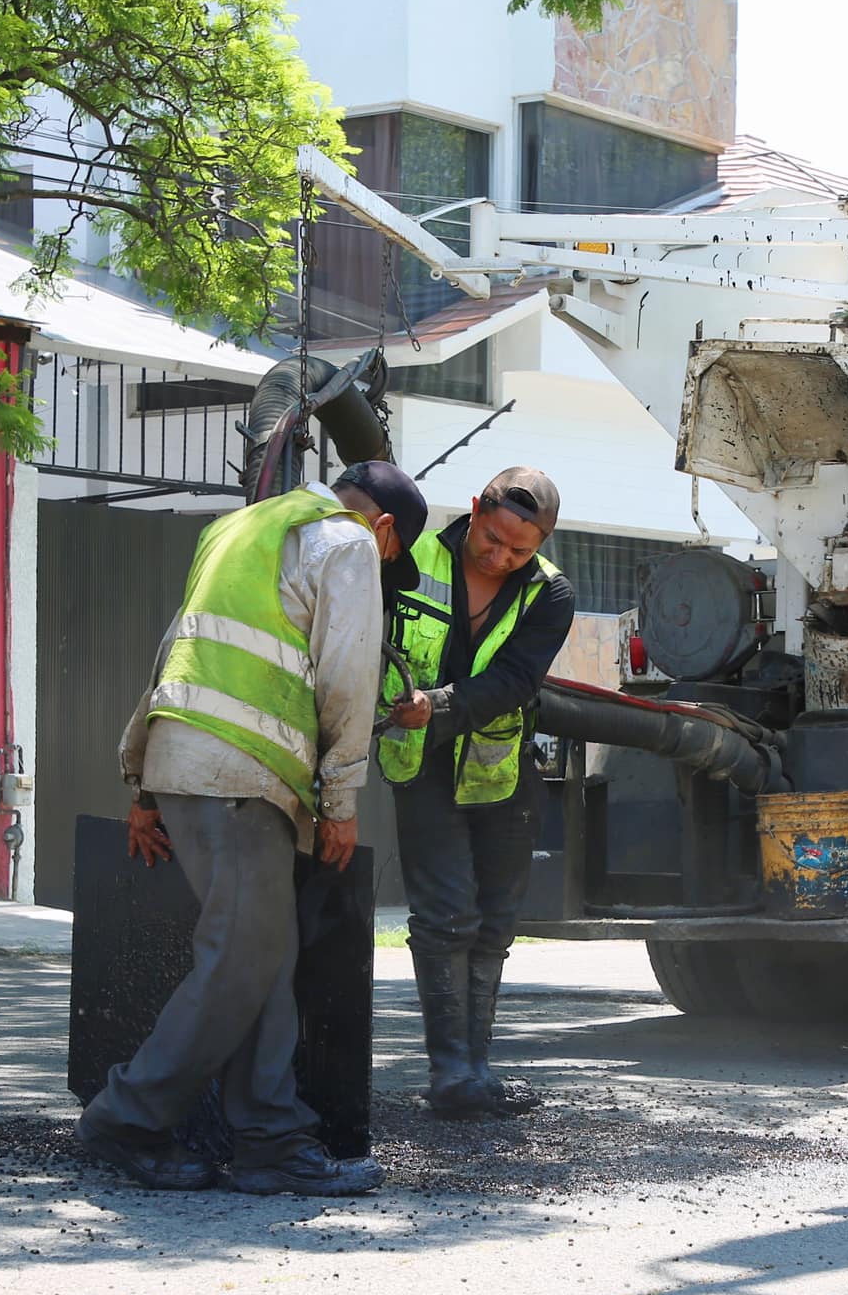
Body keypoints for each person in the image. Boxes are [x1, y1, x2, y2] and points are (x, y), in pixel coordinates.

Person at [80, 460, 432, 1194]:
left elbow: (176, 646)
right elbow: (347, 674)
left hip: (192, 761)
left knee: (264, 959)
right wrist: (340, 798)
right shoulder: (350, 543)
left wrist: (143, 775)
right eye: (393, 557)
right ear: (387, 529)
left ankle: (272, 1137)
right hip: (242, 773)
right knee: (238, 960)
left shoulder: (238, 528)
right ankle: (127, 1118)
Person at [380, 467, 575, 1118]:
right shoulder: (412, 561)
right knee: (445, 919)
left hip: (500, 775)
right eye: (492, 540)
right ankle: (450, 1073)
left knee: (492, 927)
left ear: (540, 543)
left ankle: (477, 1069)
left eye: (519, 550)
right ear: (474, 510)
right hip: (423, 770)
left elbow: (516, 680)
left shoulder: (550, 594)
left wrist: (435, 703)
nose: (500, 557)